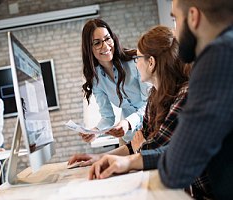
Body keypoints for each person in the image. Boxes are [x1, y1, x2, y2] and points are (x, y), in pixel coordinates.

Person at [89, 0, 233, 199]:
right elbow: (173, 152)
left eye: (175, 19)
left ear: (193, 17)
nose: (174, 33)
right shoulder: (154, 95)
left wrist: (139, 151)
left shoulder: (217, 59)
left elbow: (176, 164)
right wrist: (127, 157)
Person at [71, 25, 212, 199]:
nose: (136, 62)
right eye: (97, 43)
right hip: (168, 172)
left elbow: (155, 148)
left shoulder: (184, 95)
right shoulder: (154, 96)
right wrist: (100, 156)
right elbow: (139, 143)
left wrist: (139, 146)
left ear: (151, 62)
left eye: (138, 58)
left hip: (202, 191)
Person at [80, 19, 150, 144]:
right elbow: (108, 117)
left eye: (107, 39)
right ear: (88, 48)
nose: (106, 46)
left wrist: (128, 123)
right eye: (97, 43)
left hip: (153, 129)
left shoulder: (135, 62)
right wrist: (95, 131)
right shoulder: (96, 79)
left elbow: (150, 104)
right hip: (129, 137)